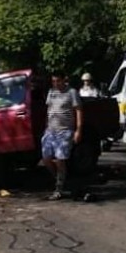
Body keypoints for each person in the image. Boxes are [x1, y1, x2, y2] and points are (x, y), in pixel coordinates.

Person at [42, 70, 83, 200]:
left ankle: (59, 187)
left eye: (57, 81)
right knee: (46, 158)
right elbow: (48, 110)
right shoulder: (52, 92)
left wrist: (78, 130)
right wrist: (46, 127)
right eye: (53, 81)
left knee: (60, 158)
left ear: (64, 80)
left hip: (65, 131)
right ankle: (61, 178)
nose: (55, 83)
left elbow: (78, 111)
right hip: (50, 130)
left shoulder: (72, 92)